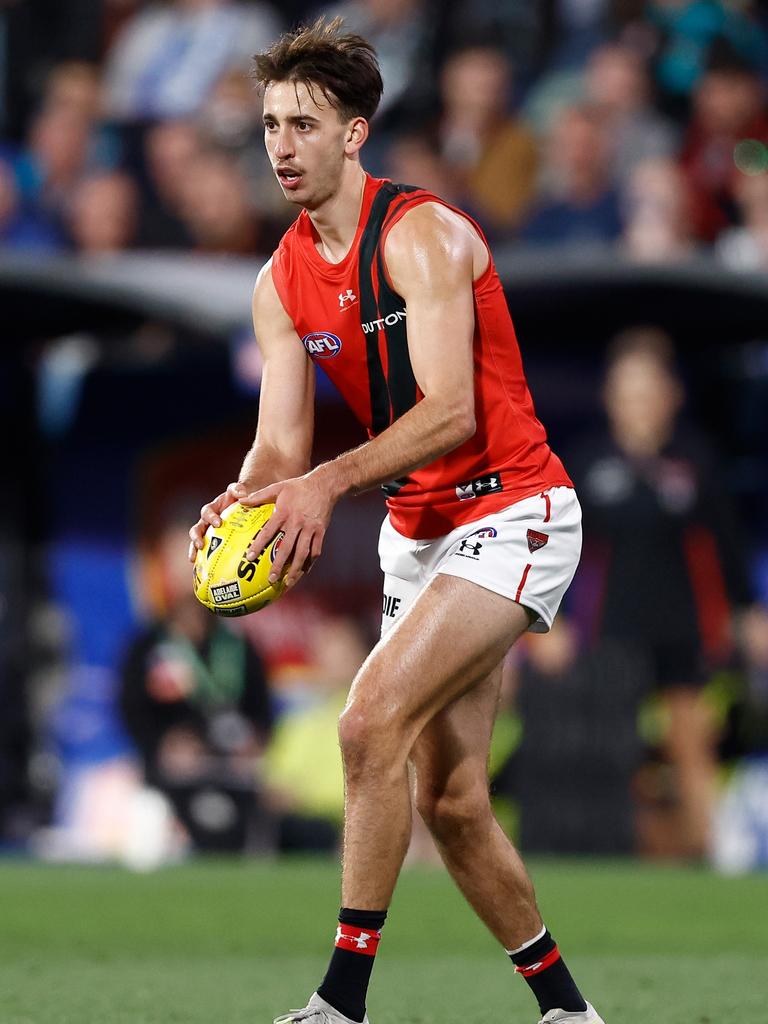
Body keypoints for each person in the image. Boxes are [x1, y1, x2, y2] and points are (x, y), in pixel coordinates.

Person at [189, 18, 603, 1024]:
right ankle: (570, 1013)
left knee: (368, 719)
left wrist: (327, 482)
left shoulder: (423, 234)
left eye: (304, 124)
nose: (282, 146)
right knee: (455, 805)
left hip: (515, 512)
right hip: (418, 533)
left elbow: (453, 409)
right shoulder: (278, 281)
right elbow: (280, 446)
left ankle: (340, 1003)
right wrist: (251, 492)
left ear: (356, 134)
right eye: (271, 125)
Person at [567, 327, 759, 860]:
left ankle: (714, 853)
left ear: (671, 396)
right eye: (629, 393)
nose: (641, 405)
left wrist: (748, 614)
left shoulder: (695, 462)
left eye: (650, 392)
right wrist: (551, 622)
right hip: (611, 631)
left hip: (685, 629)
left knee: (690, 745)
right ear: (610, 397)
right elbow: (557, 550)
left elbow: (727, 549)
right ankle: (624, 853)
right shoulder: (586, 464)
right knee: (617, 753)